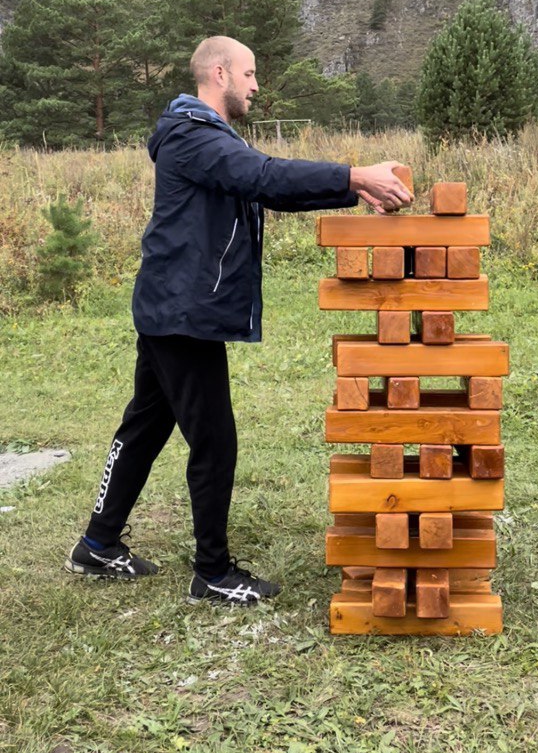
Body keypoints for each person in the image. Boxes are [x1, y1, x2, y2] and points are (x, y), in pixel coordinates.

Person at [66, 35, 412, 606]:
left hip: (170, 307)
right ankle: (213, 573)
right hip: (183, 314)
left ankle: (99, 544)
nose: (256, 86)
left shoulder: (204, 139)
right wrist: (355, 175)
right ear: (220, 73)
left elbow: (264, 187)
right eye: (249, 75)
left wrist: (356, 193)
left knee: (146, 426)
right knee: (214, 442)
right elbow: (265, 176)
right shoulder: (190, 137)